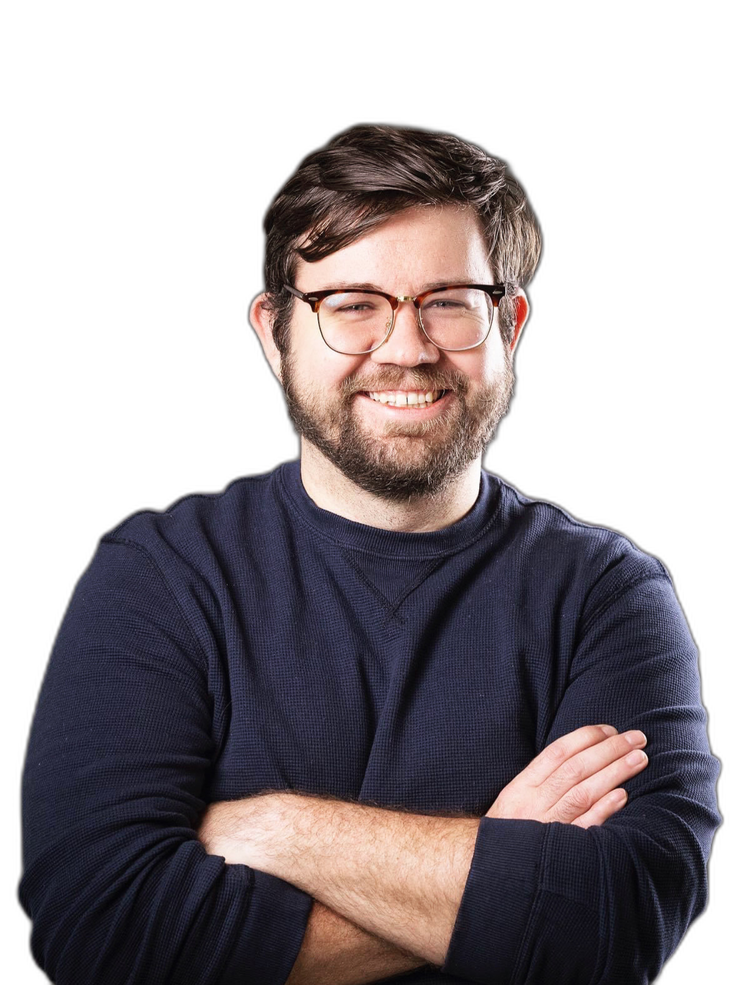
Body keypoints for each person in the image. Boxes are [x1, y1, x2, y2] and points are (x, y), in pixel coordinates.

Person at [19, 124, 720, 985]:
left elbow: (616, 926)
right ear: (275, 332)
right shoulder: (161, 576)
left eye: (449, 300)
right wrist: (502, 863)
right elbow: (104, 932)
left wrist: (276, 828)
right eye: (353, 304)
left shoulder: (608, 598)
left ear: (510, 322)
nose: (406, 347)